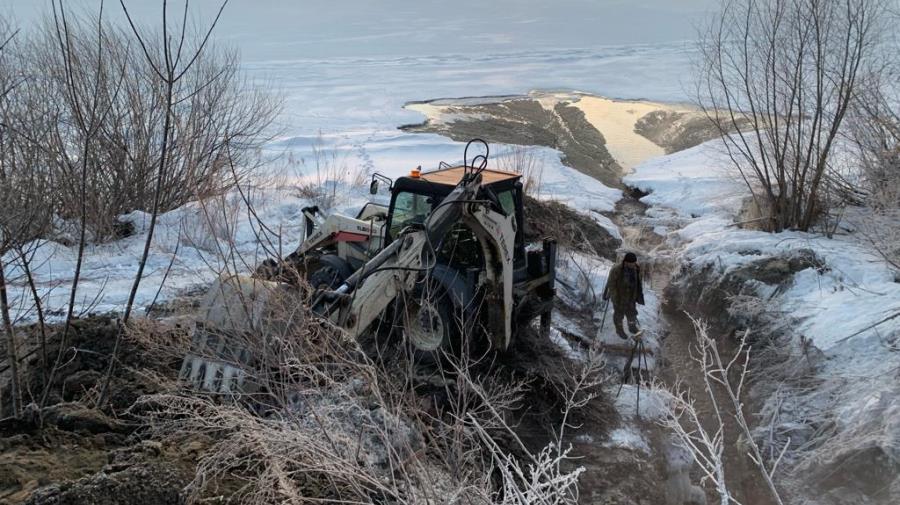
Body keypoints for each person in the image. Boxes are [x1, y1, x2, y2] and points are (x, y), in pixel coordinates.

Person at [603, 252, 645, 339]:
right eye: (631, 263)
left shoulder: (636, 269)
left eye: (634, 263)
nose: (633, 265)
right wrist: (615, 298)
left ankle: (632, 327)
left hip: (631, 297)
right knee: (619, 315)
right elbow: (611, 285)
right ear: (626, 262)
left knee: (632, 313)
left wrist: (638, 295)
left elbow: (638, 282)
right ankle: (619, 330)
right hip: (620, 297)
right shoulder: (616, 270)